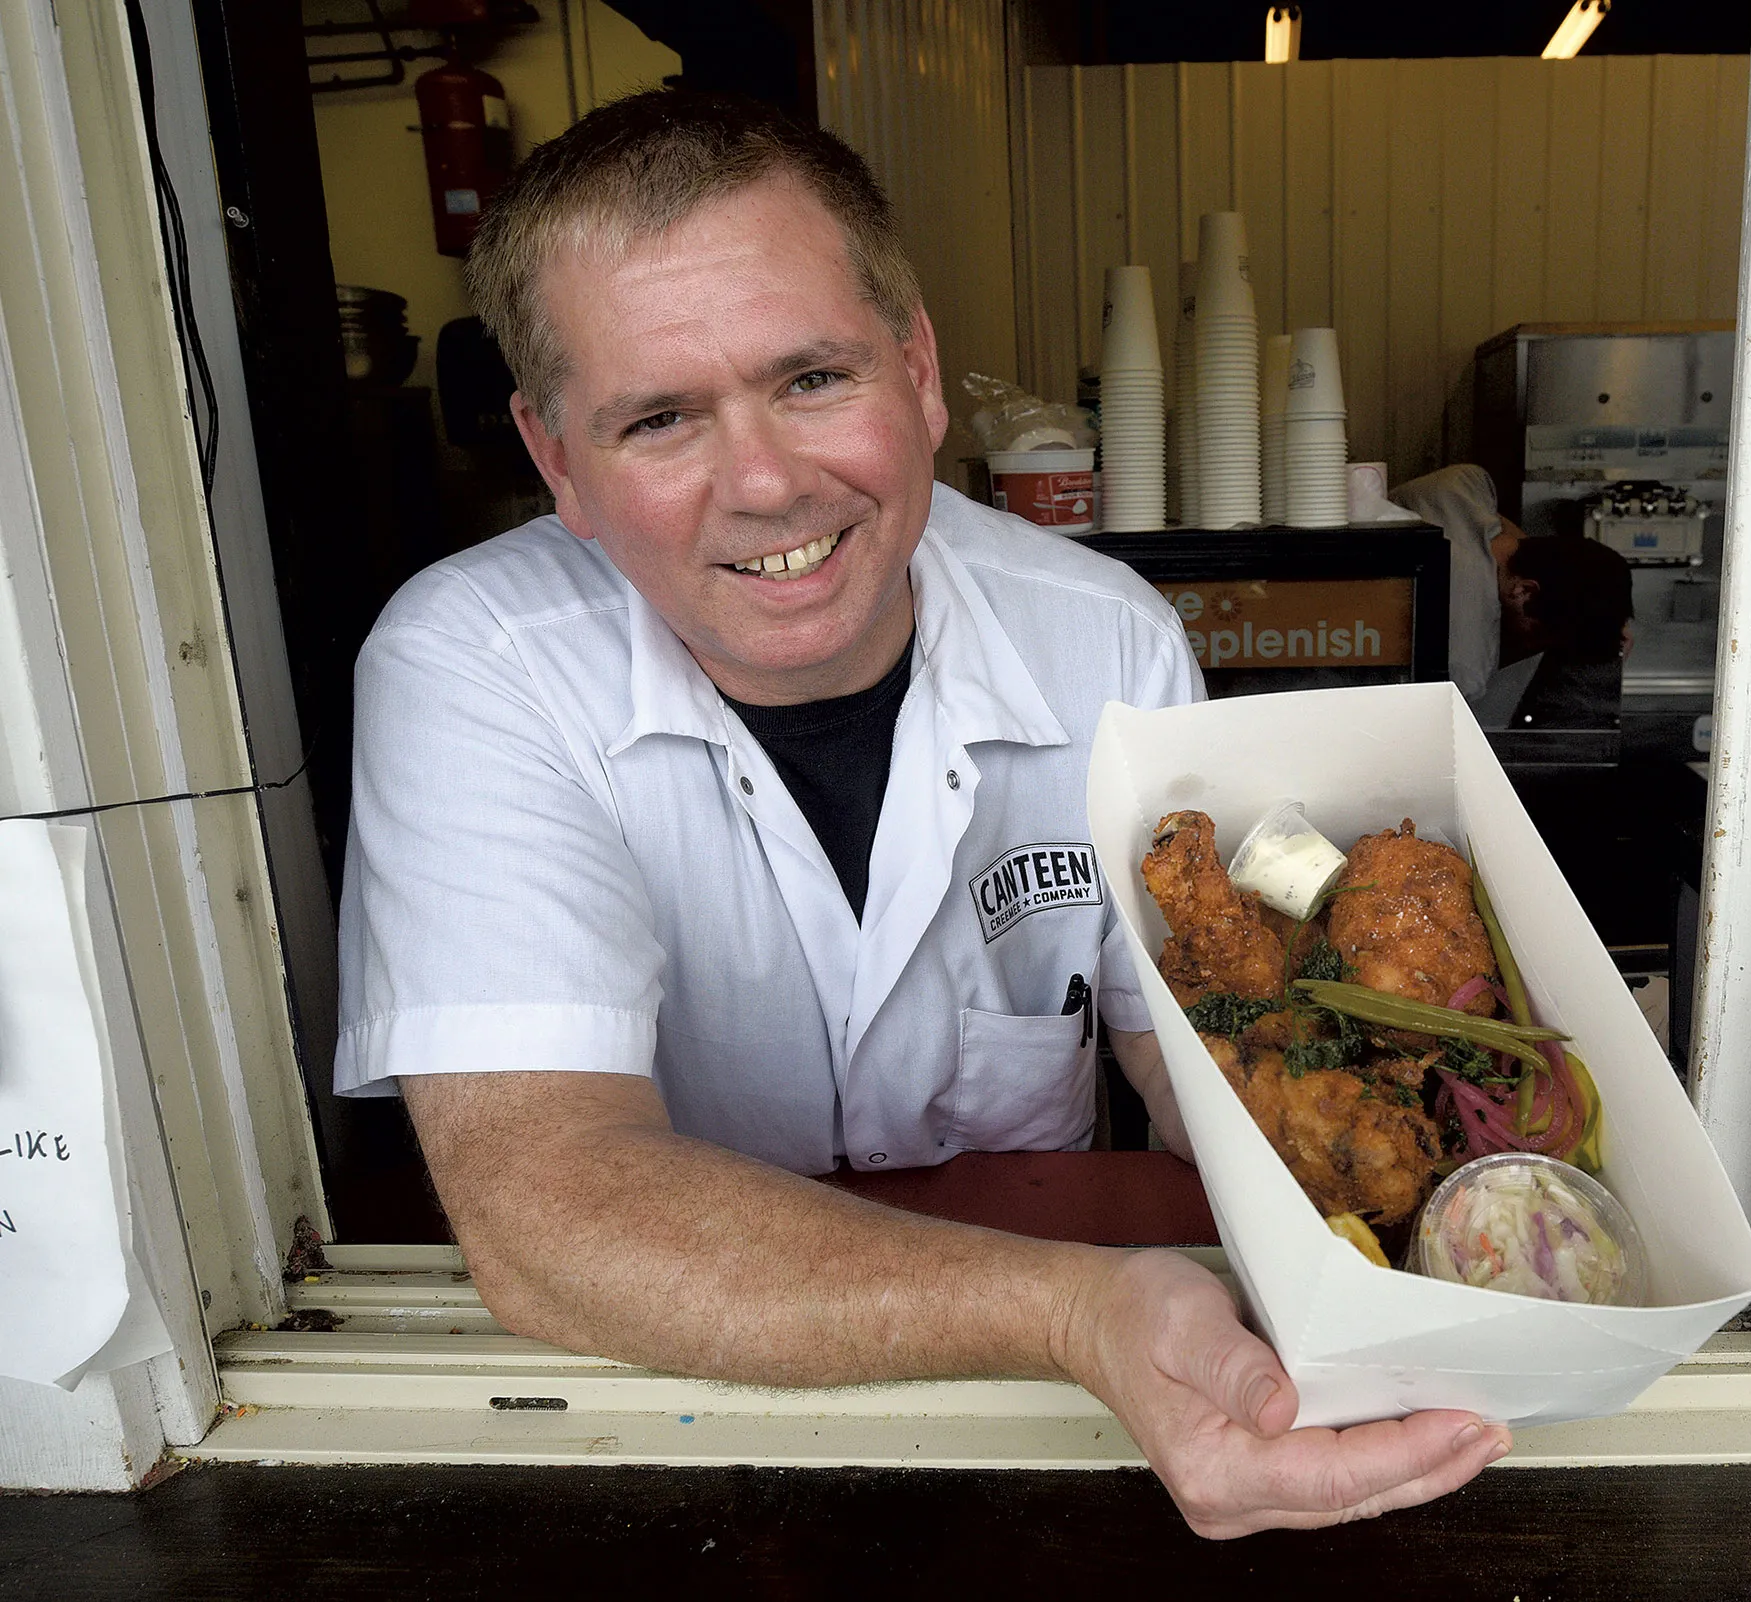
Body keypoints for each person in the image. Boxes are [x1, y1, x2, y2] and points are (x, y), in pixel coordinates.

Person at [331, 91, 1506, 1538]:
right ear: (557, 460)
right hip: (682, 1403)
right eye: (658, 418)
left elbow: (1191, 1039)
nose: (765, 483)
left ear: (923, 371)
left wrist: (1430, 1241)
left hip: (1096, 1408)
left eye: (813, 378)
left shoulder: (1107, 638)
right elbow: (549, 1220)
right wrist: (1083, 1318)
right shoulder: (471, 668)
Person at [1392, 465, 1634, 728]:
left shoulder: (1464, 484)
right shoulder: (1466, 669)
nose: (1535, 646)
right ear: (1524, 590)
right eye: (1539, 635)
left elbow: (1518, 544)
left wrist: (1602, 602)